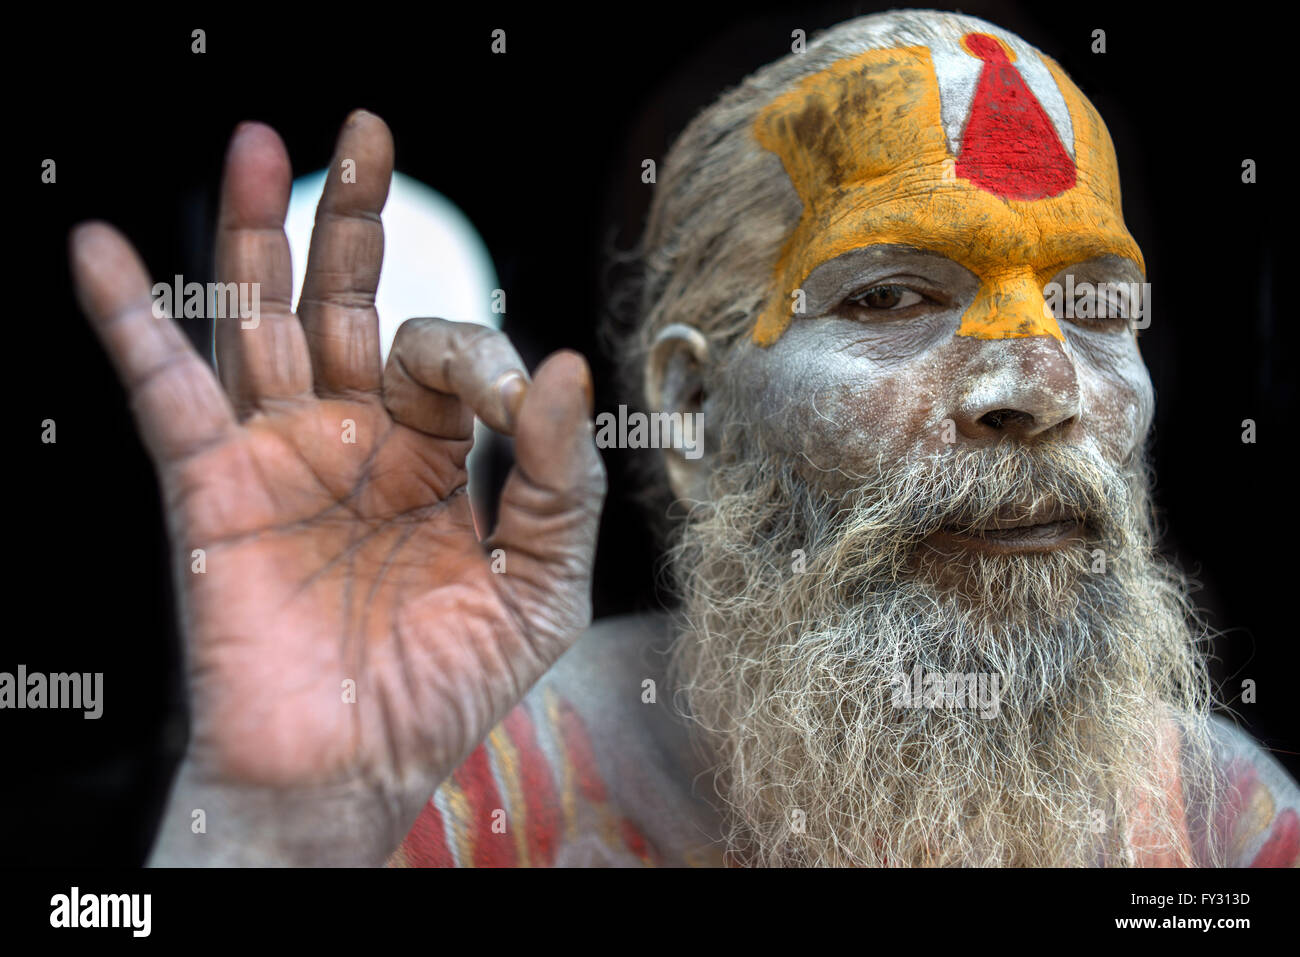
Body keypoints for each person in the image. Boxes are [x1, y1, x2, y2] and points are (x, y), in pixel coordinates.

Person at [68, 10, 1299, 867]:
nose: (1039, 384)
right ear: (694, 418)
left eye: (1092, 305)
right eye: (888, 297)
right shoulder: (476, 784)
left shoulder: (1225, 828)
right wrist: (276, 835)